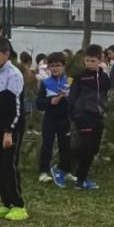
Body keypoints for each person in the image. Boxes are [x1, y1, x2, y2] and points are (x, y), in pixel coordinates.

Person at [0, 39, 28, 221]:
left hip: (13, 127)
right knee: (0, 165)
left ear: (6, 55)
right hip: (0, 125)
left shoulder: (14, 74)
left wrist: (9, 131)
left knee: (9, 165)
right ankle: (6, 202)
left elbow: (15, 107)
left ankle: (18, 205)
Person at [66, 44, 111, 190]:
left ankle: (81, 180)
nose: (89, 64)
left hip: (97, 116)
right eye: (87, 61)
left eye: (93, 61)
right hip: (82, 115)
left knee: (93, 149)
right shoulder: (79, 76)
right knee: (85, 146)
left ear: (100, 60)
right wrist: (72, 113)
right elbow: (72, 95)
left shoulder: (104, 77)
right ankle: (63, 165)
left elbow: (107, 93)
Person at [37, 52, 72, 185]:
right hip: (50, 118)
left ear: (63, 66)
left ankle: (66, 171)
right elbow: (39, 103)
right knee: (47, 145)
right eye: (52, 66)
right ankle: (43, 172)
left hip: (65, 118)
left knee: (66, 145)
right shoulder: (45, 83)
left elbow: (75, 100)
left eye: (58, 65)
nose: (55, 68)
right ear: (48, 68)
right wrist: (51, 101)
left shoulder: (69, 81)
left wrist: (68, 98)